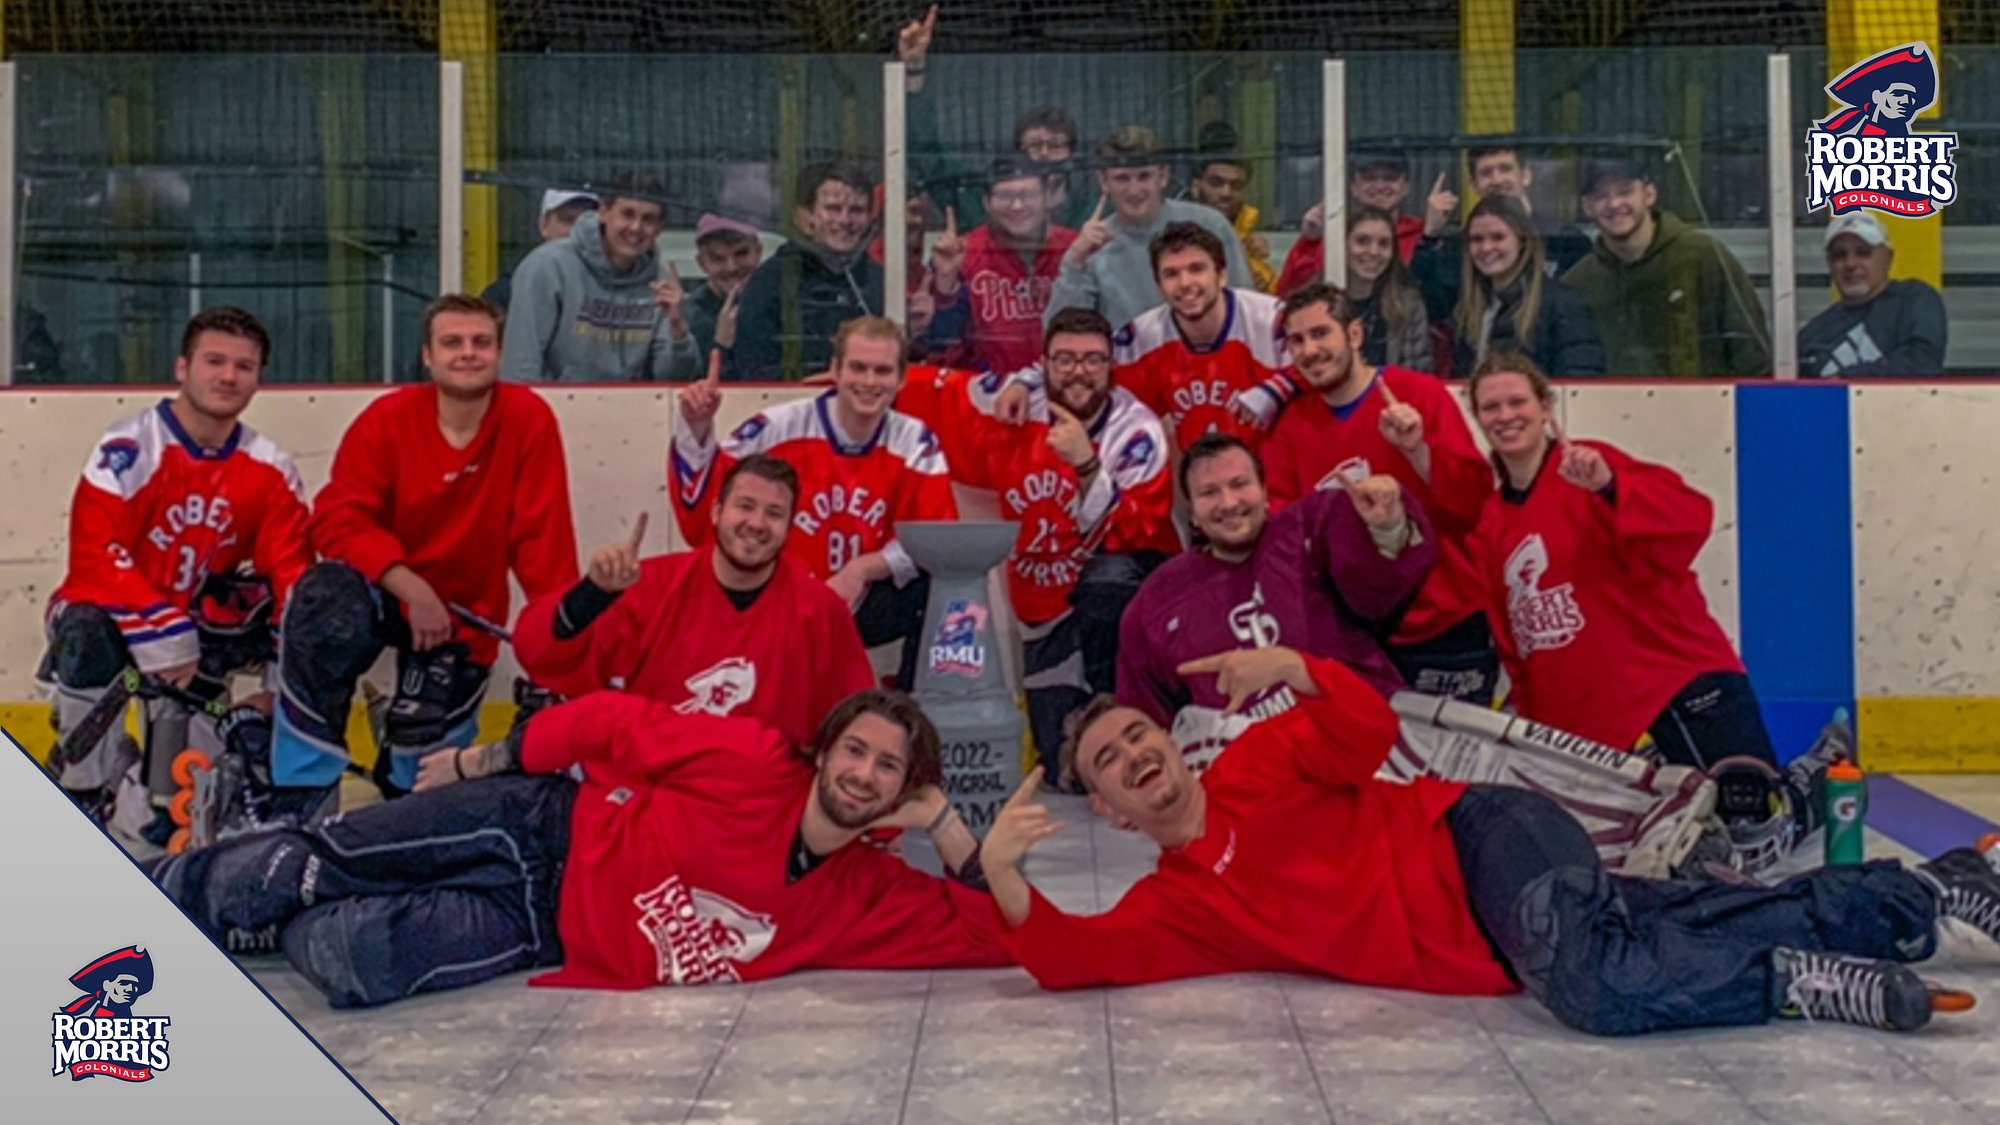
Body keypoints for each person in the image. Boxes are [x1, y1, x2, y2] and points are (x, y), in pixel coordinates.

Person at [983, 644, 2000, 1037]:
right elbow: (1081, 957)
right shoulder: (1180, 906)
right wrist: (996, 871)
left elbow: (1365, 733)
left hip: (1482, 836)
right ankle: (1929, 892)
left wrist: (1295, 664)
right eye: (1111, 765)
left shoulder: (1249, 767)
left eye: (1134, 735)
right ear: (1109, 813)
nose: (1131, 756)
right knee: (1672, 922)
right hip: (1492, 939)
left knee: (1597, 988)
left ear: (1166, 737)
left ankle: (1798, 982)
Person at [152, 687, 1012, 1007]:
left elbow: (996, 931)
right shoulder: (753, 760)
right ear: (824, 751)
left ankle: (277, 919)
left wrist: (946, 827)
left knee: (354, 958)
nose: (863, 773)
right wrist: (477, 758)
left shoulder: (866, 895)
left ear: (902, 790)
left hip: (540, 928)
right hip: (536, 824)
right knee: (292, 866)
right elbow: (608, 719)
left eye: (888, 767)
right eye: (855, 750)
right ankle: (131, 892)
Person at [271, 294, 580, 807]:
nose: (467, 353)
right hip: (382, 592)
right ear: (427, 356)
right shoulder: (387, 419)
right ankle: (299, 795)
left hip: (465, 616)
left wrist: (562, 649)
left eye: (480, 342)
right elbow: (335, 518)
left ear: (499, 354)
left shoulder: (528, 418)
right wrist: (411, 587)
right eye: (452, 342)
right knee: (322, 603)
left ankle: (399, 757)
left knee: (420, 793)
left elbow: (543, 543)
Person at [41, 306, 312, 844]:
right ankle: (86, 790)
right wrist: (165, 629)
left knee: (177, 815)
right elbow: (96, 552)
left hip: (202, 635)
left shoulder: (269, 466)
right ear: (182, 368)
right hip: (114, 620)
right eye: (214, 361)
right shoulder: (130, 447)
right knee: (86, 629)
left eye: (244, 366)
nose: (228, 376)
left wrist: (278, 686)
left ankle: (174, 795)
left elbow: (294, 574)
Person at [1116, 433, 1436, 772]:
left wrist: (1387, 529)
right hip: (1257, 781)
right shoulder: (1155, 602)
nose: (1228, 503)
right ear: (1192, 513)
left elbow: (1378, 591)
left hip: (1367, 746)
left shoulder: (1312, 526)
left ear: (1265, 491)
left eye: (1239, 484)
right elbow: (1145, 712)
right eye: (1209, 493)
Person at [943, 309, 1178, 769]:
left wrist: (1087, 465)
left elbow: (1135, 530)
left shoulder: (1137, 430)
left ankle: (1124, 715)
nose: (1078, 372)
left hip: (1119, 594)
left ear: (1111, 365)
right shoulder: (1015, 407)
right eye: (1064, 360)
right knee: (1060, 764)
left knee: (1108, 583)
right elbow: (937, 390)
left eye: (1092, 360)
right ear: (1044, 363)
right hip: (1044, 598)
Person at [514, 455, 873, 751]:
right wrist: (592, 594)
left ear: (790, 526)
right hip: (658, 791)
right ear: (716, 512)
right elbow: (539, 655)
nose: (757, 524)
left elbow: (855, 723)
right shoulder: (650, 587)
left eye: (774, 514)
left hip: (763, 804)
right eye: (745, 506)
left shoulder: (820, 610)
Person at [671, 318, 957, 689]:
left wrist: (863, 569)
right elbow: (710, 513)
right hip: (779, 595)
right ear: (834, 370)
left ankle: (912, 710)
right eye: (857, 367)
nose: (869, 382)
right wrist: (696, 428)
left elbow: (935, 537)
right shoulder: (777, 428)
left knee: (942, 585)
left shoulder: (915, 441)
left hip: (864, 597)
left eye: (882, 370)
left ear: (901, 379)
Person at [1260, 283, 1498, 703]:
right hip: (1357, 636)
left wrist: (1418, 450)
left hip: (1443, 625)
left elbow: (1474, 504)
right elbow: (1283, 531)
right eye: (1297, 340)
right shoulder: (1290, 427)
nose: (1309, 350)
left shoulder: (1419, 395)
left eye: (1320, 333)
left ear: (1353, 335)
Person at [1003, 223, 1287, 456]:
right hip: (1192, 494)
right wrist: (1024, 382)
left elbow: (1324, 359)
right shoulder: (1142, 336)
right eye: (1171, 274)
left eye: (1197, 269)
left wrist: (1277, 387)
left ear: (1222, 275)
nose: (1185, 283)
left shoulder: (1270, 320)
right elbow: (1086, 360)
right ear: (1159, 285)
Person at [1561, 159, 1770, 377]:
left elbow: (1751, 350)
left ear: (1649, 195)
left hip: (1705, 406)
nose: (1614, 204)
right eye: (1601, 196)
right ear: (1586, 207)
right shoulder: (1578, 282)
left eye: (1625, 191)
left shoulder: (1704, 256)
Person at [1045, 125, 1253, 332]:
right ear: (1103, 181)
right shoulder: (1093, 247)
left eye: (1144, 176)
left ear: (1163, 176)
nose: (1134, 190)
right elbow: (1060, 338)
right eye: (1122, 178)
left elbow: (1245, 310)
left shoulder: (1211, 225)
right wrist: (1074, 262)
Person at [500, 176, 698, 382]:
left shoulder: (660, 281)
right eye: (627, 214)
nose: (636, 227)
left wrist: (678, 329)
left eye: (648, 219)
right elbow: (520, 364)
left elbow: (673, 380)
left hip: (634, 410)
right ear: (603, 213)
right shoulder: (547, 266)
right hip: (555, 409)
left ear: (659, 227)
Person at [1416, 195, 1605, 376]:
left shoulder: (1561, 304)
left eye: (1498, 237)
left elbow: (1578, 381)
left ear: (1521, 241)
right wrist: (1429, 237)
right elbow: (1423, 299)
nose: (1486, 248)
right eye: (1476, 239)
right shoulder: (1467, 306)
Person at [730, 163, 882, 379]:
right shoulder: (772, 279)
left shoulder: (880, 279)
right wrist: (810, 384)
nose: (844, 220)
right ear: (807, 216)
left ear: (869, 219)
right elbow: (752, 368)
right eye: (833, 208)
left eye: (856, 210)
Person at [944, 157, 1077, 376]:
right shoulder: (963, 253)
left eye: (1028, 195)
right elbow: (942, 341)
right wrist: (944, 283)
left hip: (1065, 388)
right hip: (988, 395)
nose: (1017, 205)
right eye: (1005, 196)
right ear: (986, 202)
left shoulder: (1075, 249)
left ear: (1047, 199)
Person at [1799, 211, 1948, 378]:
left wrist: (1845, 380)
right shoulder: (1811, 334)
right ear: (1829, 265)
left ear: (1888, 258)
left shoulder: (1913, 300)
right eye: (1839, 255)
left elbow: (1922, 364)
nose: (1850, 264)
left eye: (1863, 253)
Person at [1275, 151, 1425, 296]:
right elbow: (1289, 296)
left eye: (1390, 178)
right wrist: (1309, 242)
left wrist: (1430, 236)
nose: (1380, 185)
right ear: (1353, 186)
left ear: (1406, 186)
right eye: (1369, 178)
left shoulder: (1422, 235)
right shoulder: (1334, 234)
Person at [1464, 146, 1592, 274]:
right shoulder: (1462, 244)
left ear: (1526, 176)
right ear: (1474, 185)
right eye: (1486, 173)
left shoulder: (1565, 240)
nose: (1497, 180)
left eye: (1505, 169)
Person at [1338, 207, 1434, 372]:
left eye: (1383, 244)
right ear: (1341, 245)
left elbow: (1419, 373)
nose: (1374, 252)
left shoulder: (1408, 305)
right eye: (1362, 241)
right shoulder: (1316, 304)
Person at [1187, 121, 1277, 292]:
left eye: (1236, 185)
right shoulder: (1172, 230)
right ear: (1196, 186)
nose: (1226, 193)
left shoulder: (1251, 242)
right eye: (1216, 183)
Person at [480, 188, 599, 314]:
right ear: (543, 225)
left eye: (588, 222)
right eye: (568, 220)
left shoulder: (612, 292)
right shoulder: (505, 294)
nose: (577, 229)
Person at [683, 213, 765, 381]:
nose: (731, 267)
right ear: (701, 263)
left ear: (758, 252)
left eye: (741, 253)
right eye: (717, 258)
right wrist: (721, 345)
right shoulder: (688, 320)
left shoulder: (778, 307)